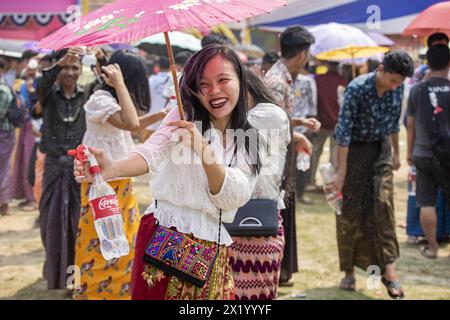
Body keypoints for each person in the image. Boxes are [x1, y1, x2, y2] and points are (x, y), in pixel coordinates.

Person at [74, 44, 264, 300]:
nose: (214, 91)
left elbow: (232, 196)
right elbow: (151, 152)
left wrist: (202, 148)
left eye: (223, 80)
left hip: (212, 246)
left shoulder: (249, 138)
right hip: (164, 232)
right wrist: (114, 168)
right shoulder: (184, 115)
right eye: (204, 84)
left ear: (240, 80)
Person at [332, 50, 414, 299]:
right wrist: (341, 172)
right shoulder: (356, 89)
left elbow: (392, 124)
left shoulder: (397, 88)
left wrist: (397, 155)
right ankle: (349, 270)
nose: (395, 87)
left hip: (381, 150)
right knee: (351, 212)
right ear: (381, 70)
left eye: (399, 83)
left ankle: (389, 270)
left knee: (383, 205)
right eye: (392, 81)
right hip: (354, 152)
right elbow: (343, 133)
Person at [72, 50, 151, 300]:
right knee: (102, 241)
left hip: (119, 181)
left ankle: (122, 292)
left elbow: (132, 123)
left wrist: (162, 116)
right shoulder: (99, 99)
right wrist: (118, 83)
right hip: (100, 182)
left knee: (124, 240)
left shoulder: (110, 101)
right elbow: (131, 123)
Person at [228, 69, 291, 300]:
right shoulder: (258, 113)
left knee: (255, 296)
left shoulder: (267, 113)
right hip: (243, 220)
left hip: (257, 222)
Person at [264, 25, 316, 286]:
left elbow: (281, 118)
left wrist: (299, 123)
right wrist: (300, 136)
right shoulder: (276, 82)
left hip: (283, 155)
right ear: (303, 54)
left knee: (287, 209)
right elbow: (272, 127)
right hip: (276, 158)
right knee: (281, 209)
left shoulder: (282, 78)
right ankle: (278, 269)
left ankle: (283, 270)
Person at [38, 47, 90, 290]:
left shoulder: (87, 96)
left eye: (74, 67)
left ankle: (74, 281)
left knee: (76, 225)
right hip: (53, 168)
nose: (69, 72)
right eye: (65, 67)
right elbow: (43, 81)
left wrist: (99, 58)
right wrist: (60, 60)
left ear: (81, 71)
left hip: (78, 170)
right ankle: (55, 275)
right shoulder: (47, 95)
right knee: (51, 223)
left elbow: (106, 83)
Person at [406, 44, 450, 259]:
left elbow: (411, 124)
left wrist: (409, 150)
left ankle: (432, 247)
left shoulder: (417, 90)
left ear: (428, 63)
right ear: (449, 64)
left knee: (426, 201)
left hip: (423, 153)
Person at [309, 61, 347, 190]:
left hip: (321, 122)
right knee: (335, 155)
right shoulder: (343, 81)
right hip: (338, 124)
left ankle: (311, 181)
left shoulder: (318, 79)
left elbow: (315, 101)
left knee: (314, 152)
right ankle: (331, 183)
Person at [0, 58, 16, 216]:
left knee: (3, 169)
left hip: (3, 134)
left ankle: (4, 203)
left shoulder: (3, 90)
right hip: (4, 134)